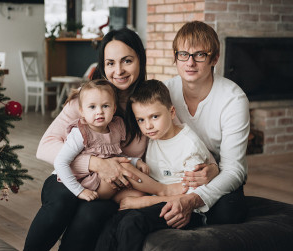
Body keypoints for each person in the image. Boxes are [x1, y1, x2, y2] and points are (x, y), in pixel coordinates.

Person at [24, 27, 219, 251]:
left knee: (91, 215)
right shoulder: (89, 99)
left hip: (112, 191)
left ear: (140, 60)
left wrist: (212, 168)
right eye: (110, 63)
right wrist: (97, 163)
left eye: (127, 61)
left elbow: (184, 135)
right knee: (61, 202)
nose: (118, 70)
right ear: (102, 66)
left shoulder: (148, 102)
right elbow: (45, 147)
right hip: (70, 179)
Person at [95, 21, 250, 251]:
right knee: (117, 218)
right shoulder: (165, 92)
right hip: (170, 177)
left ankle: (191, 217)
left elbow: (235, 170)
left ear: (214, 59)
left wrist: (197, 192)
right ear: (175, 58)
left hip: (212, 176)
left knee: (228, 208)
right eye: (184, 54)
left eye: (199, 55)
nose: (190, 62)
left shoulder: (233, 100)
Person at [54, 79, 187, 203]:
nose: (99, 111)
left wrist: (135, 161)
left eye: (105, 106)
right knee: (124, 168)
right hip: (92, 186)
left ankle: (170, 199)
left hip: (111, 185)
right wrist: (79, 191)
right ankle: (164, 190)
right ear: (82, 112)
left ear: (114, 109)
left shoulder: (114, 128)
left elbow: (114, 156)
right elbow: (60, 162)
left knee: (139, 195)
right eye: (92, 107)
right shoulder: (80, 133)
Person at [117, 79, 217, 211]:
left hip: (176, 202)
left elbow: (193, 197)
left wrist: (146, 201)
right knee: (123, 170)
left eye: (154, 117)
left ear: (172, 112)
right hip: (157, 191)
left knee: (130, 218)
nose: (148, 126)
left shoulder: (189, 146)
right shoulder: (154, 135)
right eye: (141, 120)